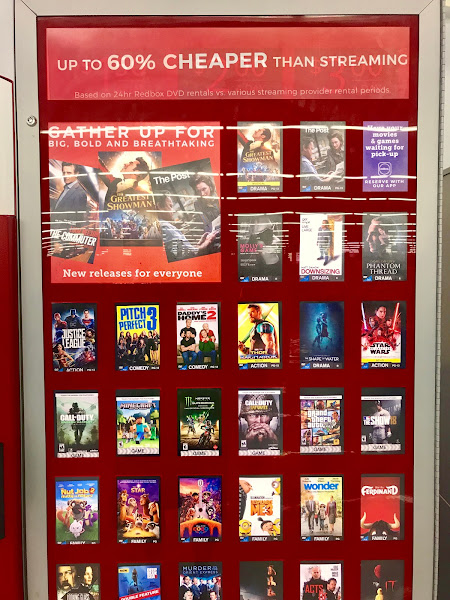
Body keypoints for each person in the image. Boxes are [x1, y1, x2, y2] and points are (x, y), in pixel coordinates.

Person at [155, 192, 219, 262]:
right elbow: (188, 255)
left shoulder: (163, 226)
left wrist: (199, 244)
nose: (173, 210)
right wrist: (207, 242)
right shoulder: (165, 228)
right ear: (159, 206)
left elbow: (184, 251)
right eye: (170, 206)